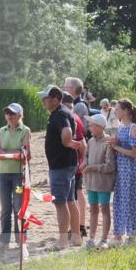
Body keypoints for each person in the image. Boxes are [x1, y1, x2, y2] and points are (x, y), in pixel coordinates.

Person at [39, 85, 83, 250]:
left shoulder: (59, 114)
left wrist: (68, 142)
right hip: (67, 164)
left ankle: (63, 240)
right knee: (70, 200)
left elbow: (66, 132)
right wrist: (70, 143)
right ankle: (76, 237)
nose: (44, 101)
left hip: (61, 165)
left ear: (56, 99)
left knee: (60, 202)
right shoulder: (62, 113)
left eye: (46, 98)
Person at [0, 103, 32, 250]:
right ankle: (4, 241)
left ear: (20, 115)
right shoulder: (2, 130)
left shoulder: (25, 130)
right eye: (7, 113)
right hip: (3, 173)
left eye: (13, 113)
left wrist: (7, 154)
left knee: (19, 207)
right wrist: (11, 154)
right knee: (5, 208)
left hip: (19, 174)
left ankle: (21, 240)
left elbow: (26, 154)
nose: (9, 116)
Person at [107, 99, 136, 245]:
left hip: (130, 169)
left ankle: (132, 234)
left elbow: (135, 154)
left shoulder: (133, 129)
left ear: (126, 111)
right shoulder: (121, 127)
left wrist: (116, 148)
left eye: (118, 109)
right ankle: (118, 234)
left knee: (130, 201)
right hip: (121, 169)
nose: (115, 111)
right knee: (119, 201)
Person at [83, 113, 116, 249]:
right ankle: (91, 239)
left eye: (92, 125)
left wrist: (92, 167)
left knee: (105, 209)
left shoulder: (108, 142)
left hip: (103, 183)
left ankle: (104, 239)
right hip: (91, 182)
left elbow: (110, 166)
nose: (89, 128)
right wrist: (85, 163)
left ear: (100, 127)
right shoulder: (90, 141)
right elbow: (86, 155)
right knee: (93, 209)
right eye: (89, 125)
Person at [62, 93, 88, 240]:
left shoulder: (71, 117)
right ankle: (80, 226)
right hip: (76, 162)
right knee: (77, 193)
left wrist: (81, 161)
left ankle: (79, 227)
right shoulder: (73, 117)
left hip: (73, 163)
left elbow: (81, 144)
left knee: (75, 194)